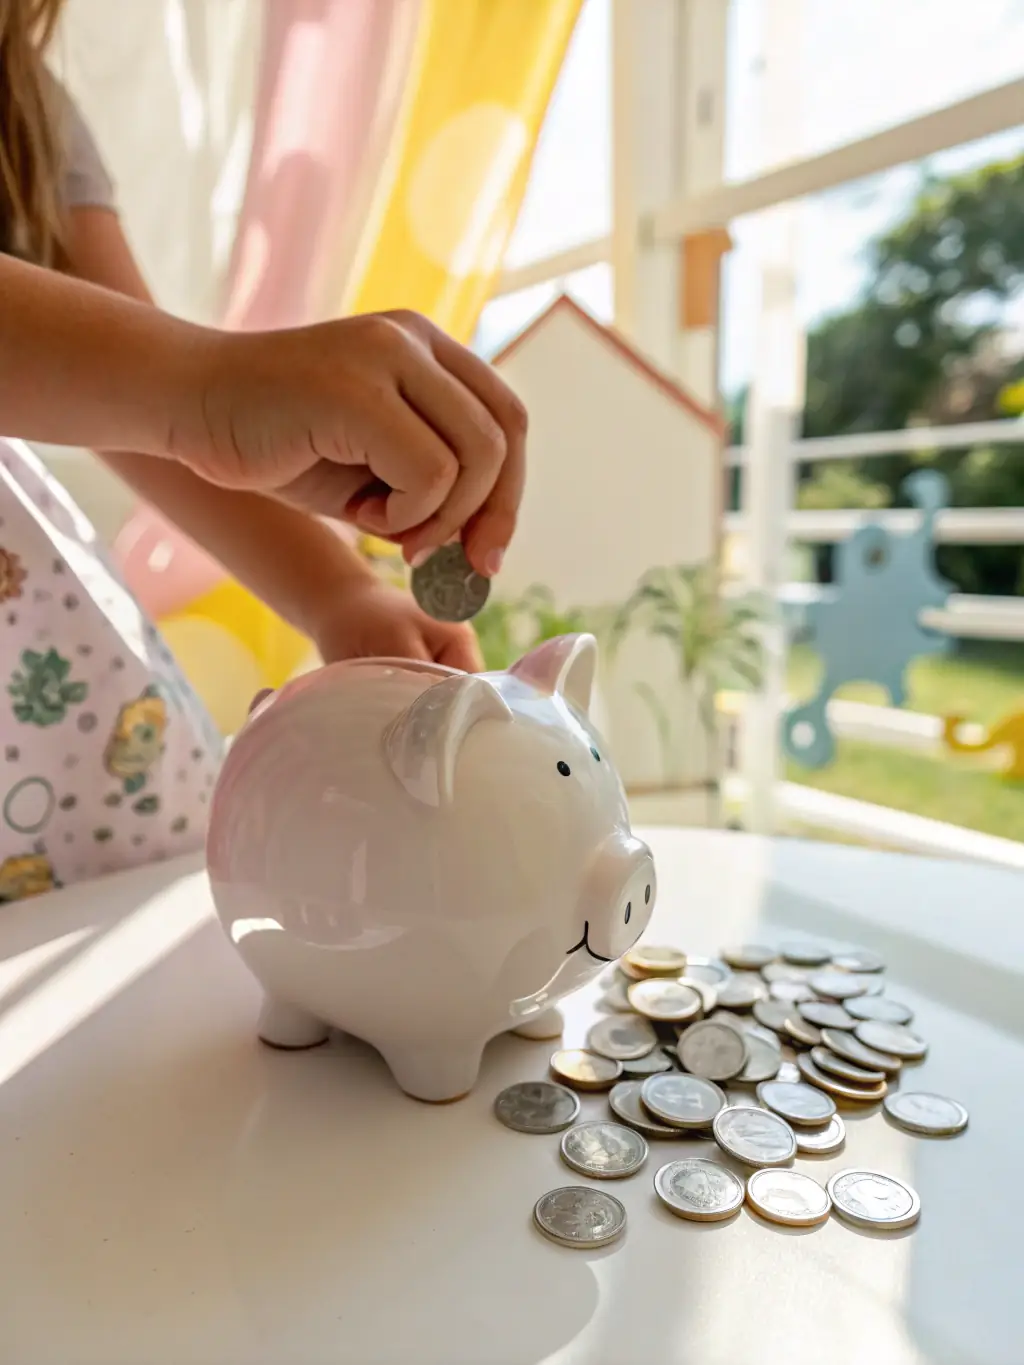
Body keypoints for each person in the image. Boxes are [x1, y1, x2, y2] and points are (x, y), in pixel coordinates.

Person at [0, 1, 526, 900]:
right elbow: (175, 393)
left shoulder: (23, 108)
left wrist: (339, 591)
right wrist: (202, 383)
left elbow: (138, 399)